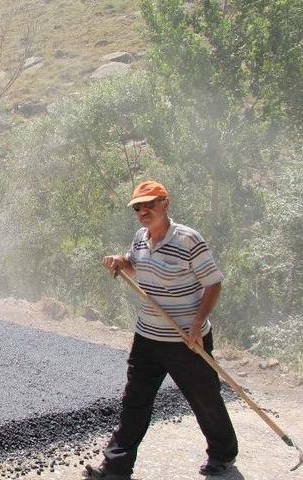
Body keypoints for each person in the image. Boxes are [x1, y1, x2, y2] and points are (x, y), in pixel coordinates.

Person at [86, 181, 238, 479]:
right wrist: (120, 261)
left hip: (186, 339)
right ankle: (116, 467)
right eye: (137, 207)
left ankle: (222, 455)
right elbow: (134, 265)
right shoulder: (141, 239)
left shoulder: (188, 240)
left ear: (165, 203)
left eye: (149, 204)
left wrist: (197, 324)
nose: (142, 211)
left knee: (204, 398)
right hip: (148, 338)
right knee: (135, 400)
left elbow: (213, 282)